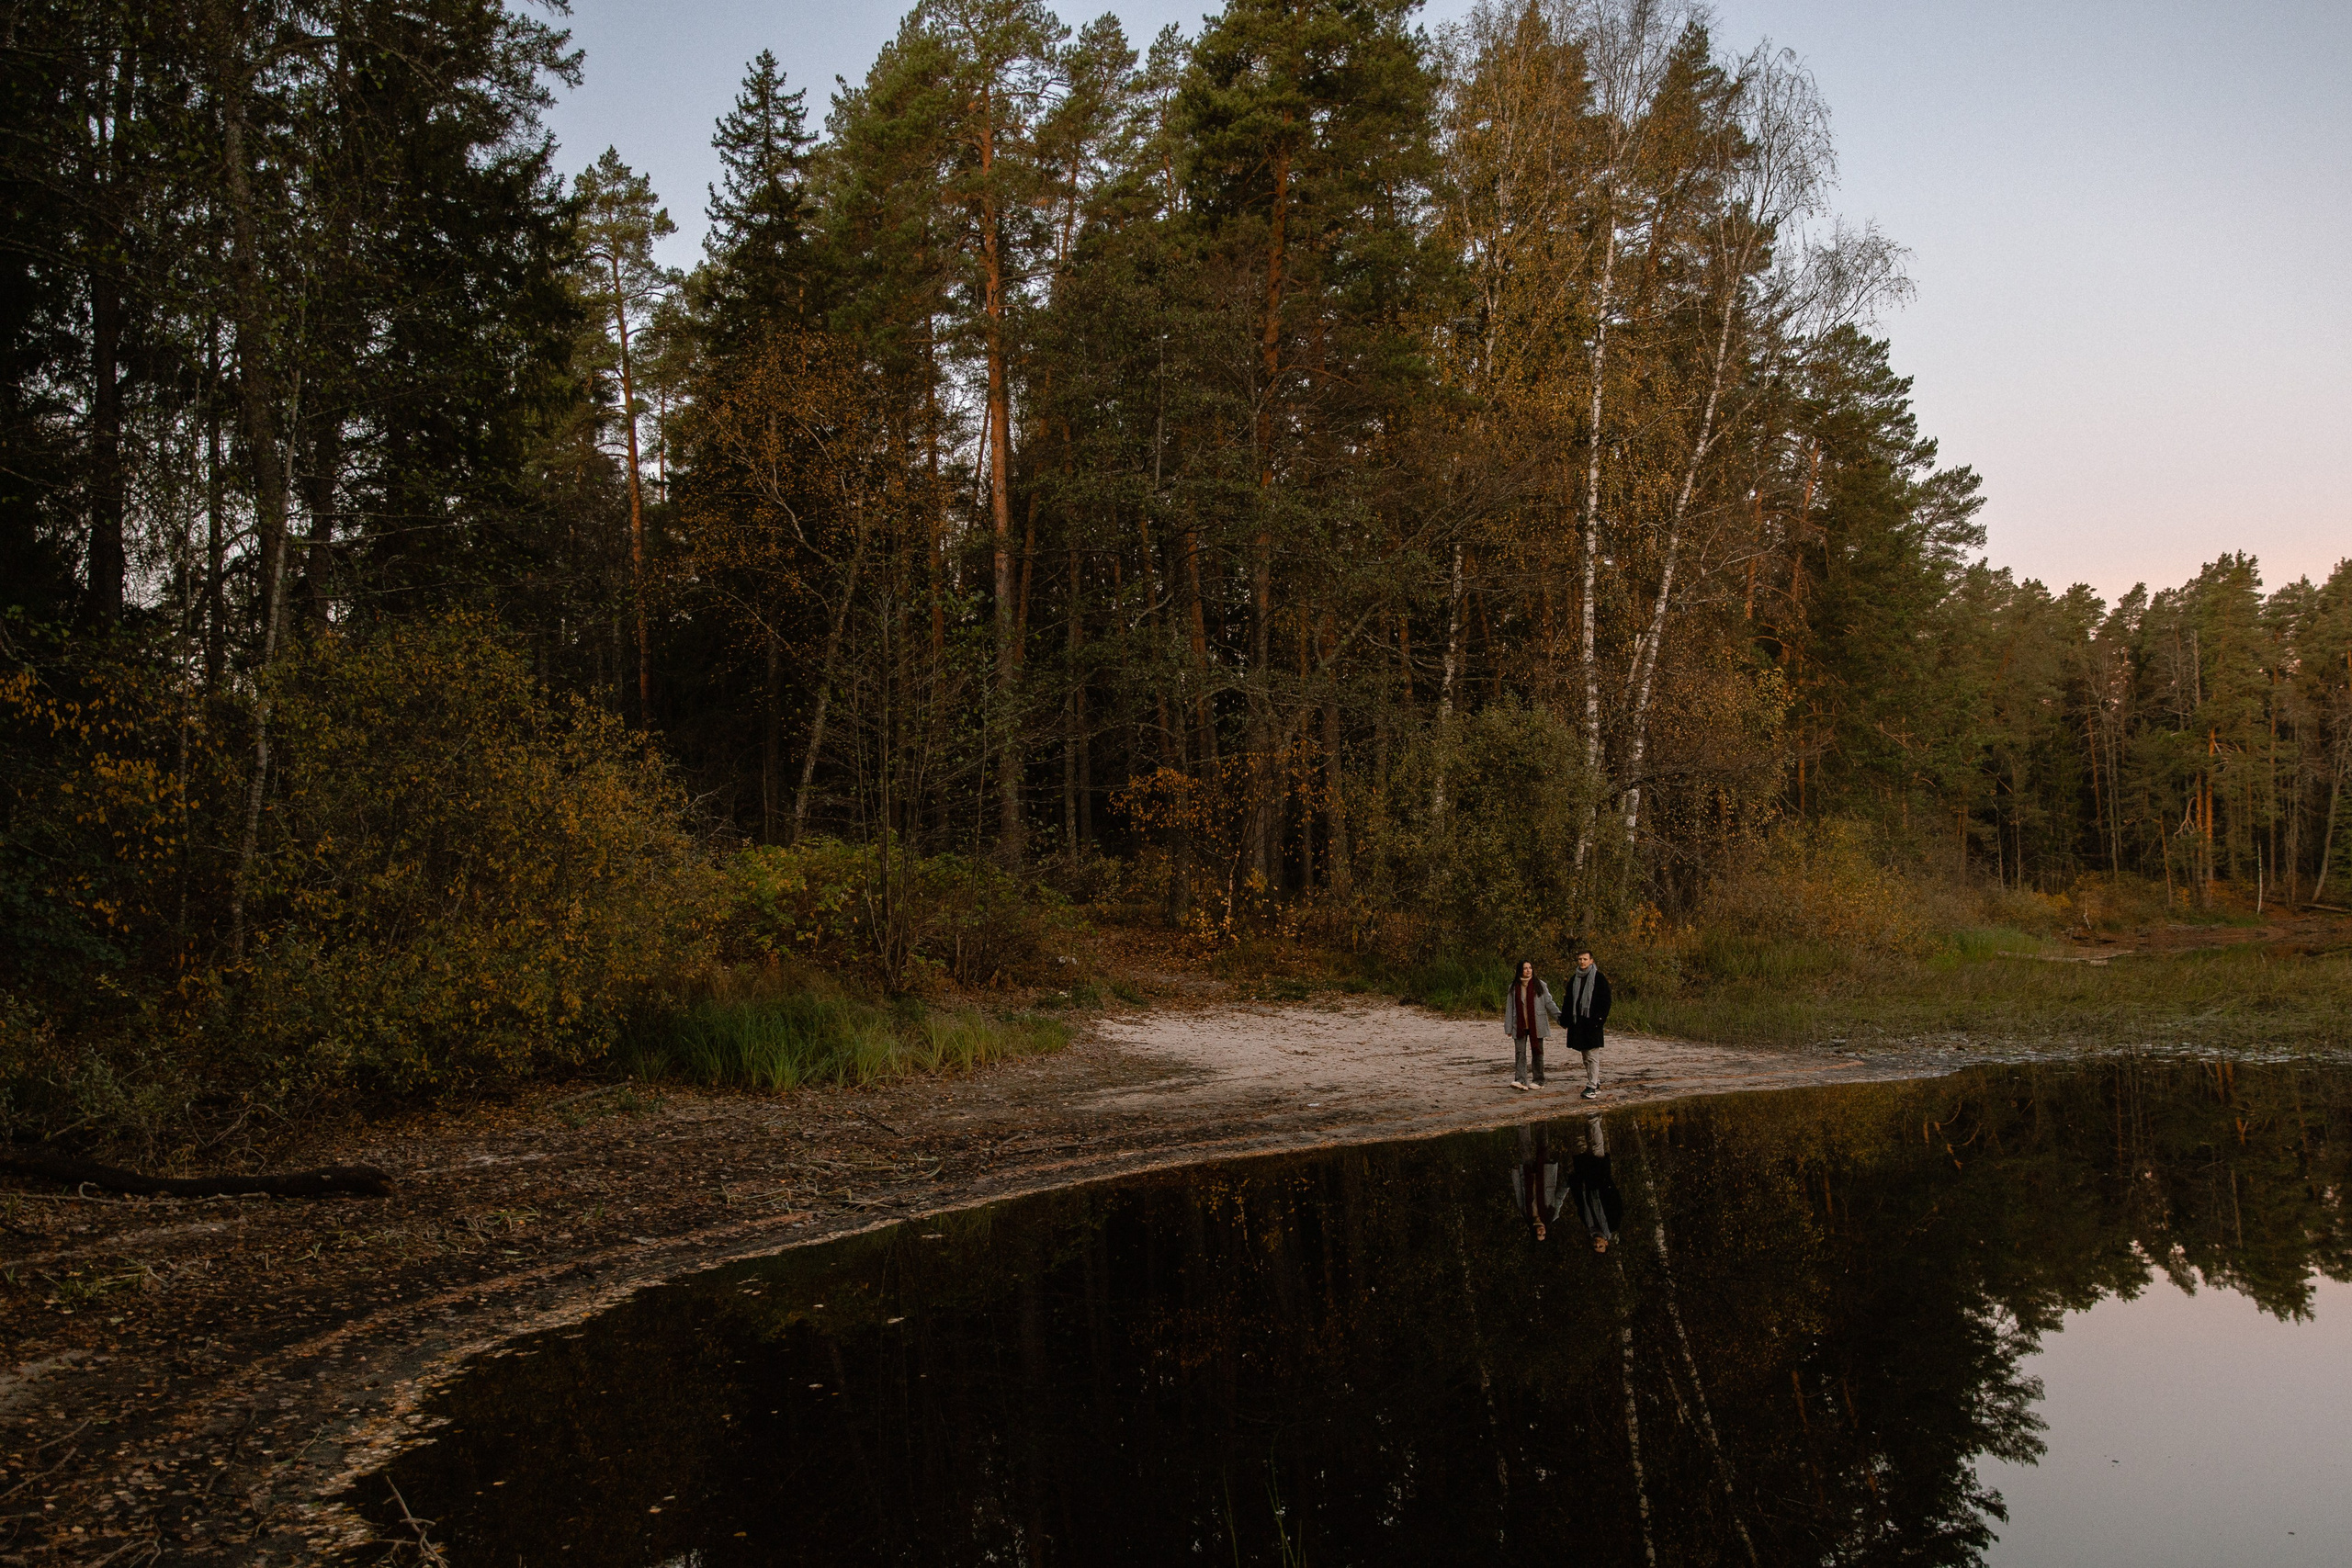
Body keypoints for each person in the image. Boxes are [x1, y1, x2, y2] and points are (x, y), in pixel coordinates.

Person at [1501, 959, 1561, 1089]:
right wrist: (1508, 1027)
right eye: (1525, 968)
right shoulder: (1513, 987)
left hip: (1537, 1024)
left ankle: (1539, 1080)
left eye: (1530, 968)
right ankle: (1520, 1080)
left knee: (1537, 1052)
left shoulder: (1540, 985)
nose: (1528, 970)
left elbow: (1549, 1003)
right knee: (1520, 1052)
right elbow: (1509, 1008)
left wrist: (1559, 1017)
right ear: (1520, 971)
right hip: (1520, 1025)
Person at [1569, 1114, 1624, 1253]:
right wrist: (1609, 1185)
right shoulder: (1612, 1225)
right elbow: (1617, 1203)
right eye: (1600, 1246)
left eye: (1595, 1246)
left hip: (1586, 1185)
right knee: (1597, 1151)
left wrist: (1576, 1186)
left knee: (1581, 1150)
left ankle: (1577, 1121)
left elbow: (1580, 1205)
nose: (1597, 1244)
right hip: (1602, 1184)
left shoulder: (1588, 1225)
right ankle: (1594, 1122)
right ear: (1606, 1243)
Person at [1563, 944, 1612, 1100]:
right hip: (1579, 1023)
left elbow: (1606, 1001)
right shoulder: (1574, 978)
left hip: (1593, 1023)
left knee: (1592, 1055)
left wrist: (1599, 1020)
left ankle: (1591, 1086)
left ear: (1591, 961)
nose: (1582, 962)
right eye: (1580, 959)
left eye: (1585, 959)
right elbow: (1568, 1000)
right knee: (1585, 1056)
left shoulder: (1599, 978)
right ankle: (1595, 1082)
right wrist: (1565, 1019)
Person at [1512, 1122, 1566, 1241]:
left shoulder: (1527, 1215)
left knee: (1525, 1152)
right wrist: (1567, 1185)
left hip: (1528, 1179)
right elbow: (1559, 1198)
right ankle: (1541, 1122)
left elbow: (1519, 1194)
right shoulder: (1551, 1216)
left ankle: (1523, 1125)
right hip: (1545, 1177)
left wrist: (1515, 1174)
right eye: (1543, 1234)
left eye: (1539, 1234)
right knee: (1543, 1148)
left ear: (1534, 1232)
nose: (1541, 1232)